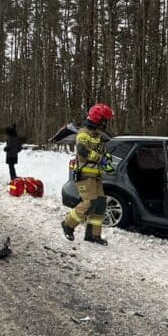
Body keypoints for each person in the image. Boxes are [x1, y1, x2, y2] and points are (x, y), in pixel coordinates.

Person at [62, 103, 115, 244]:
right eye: (105, 120)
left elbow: (99, 150)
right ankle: (68, 224)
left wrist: (106, 158)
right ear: (99, 119)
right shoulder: (84, 133)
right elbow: (82, 151)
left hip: (96, 175)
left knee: (101, 204)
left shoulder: (97, 134)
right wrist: (100, 159)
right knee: (90, 202)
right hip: (84, 175)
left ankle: (93, 235)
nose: (106, 123)